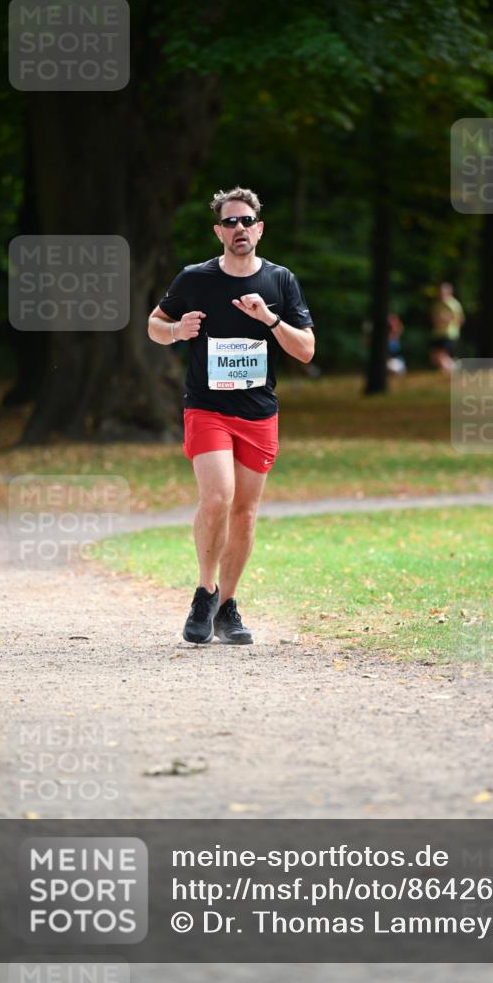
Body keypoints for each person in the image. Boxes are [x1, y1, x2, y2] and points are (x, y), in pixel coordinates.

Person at [148, 187, 315, 644]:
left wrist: (270, 321)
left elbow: (306, 350)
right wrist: (177, 330)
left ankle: (227, 607)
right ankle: (205, 591)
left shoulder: (281, 282)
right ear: (218, 230)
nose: (239, 229)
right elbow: (154, 325)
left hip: (259, 413)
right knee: (218, 497)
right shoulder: (194, 279)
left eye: (247, 221)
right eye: (230, 222)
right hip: (207, 408)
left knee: (244, 511)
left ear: (259, 228)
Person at [429, 282, 464, 373]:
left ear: (449, 292)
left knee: (442, 357)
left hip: (449, 334)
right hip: (438, 333)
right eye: (440, 291)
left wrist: (447, 319)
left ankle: (455, 369)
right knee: (435, 357)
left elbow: (460, 319)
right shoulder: (437, 304)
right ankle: (453, 368)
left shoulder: (453, 304)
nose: (441, 293)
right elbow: (433, 318)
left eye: (443, 291)